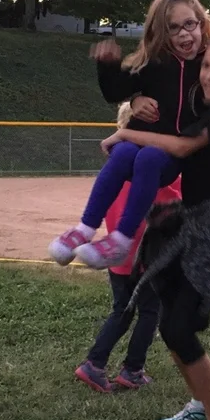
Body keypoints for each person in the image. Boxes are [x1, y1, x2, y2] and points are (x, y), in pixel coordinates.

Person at [99, 29, 210, 420]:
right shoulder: (204, 102)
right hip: (187, 219)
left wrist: (126, 132)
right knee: (168, 310)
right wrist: (135, 100)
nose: (209, 75)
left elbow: (186, 147)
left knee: (178, 327)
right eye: (208, 65)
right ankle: (197, 405)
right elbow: (162, 86)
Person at [48, 0, 210, 269]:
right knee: (124, 152)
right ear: (161, 33)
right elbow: (115, 91)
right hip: (141, 141)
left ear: (202, 23)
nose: (184, 35)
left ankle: (122, 239)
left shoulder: (208, 64)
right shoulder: (155, 62)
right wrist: (109, 66)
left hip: (170, 154)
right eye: (173, 28)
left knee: (148, 157)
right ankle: (84, 228)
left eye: (190, 24)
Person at [74, 102, 182, 393]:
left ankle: (94, 364)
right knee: (149, 311)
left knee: (122, 309)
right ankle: (132, 370)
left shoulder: (117, 169)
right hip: (146, 259)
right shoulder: (157, 171)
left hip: (117, 258)